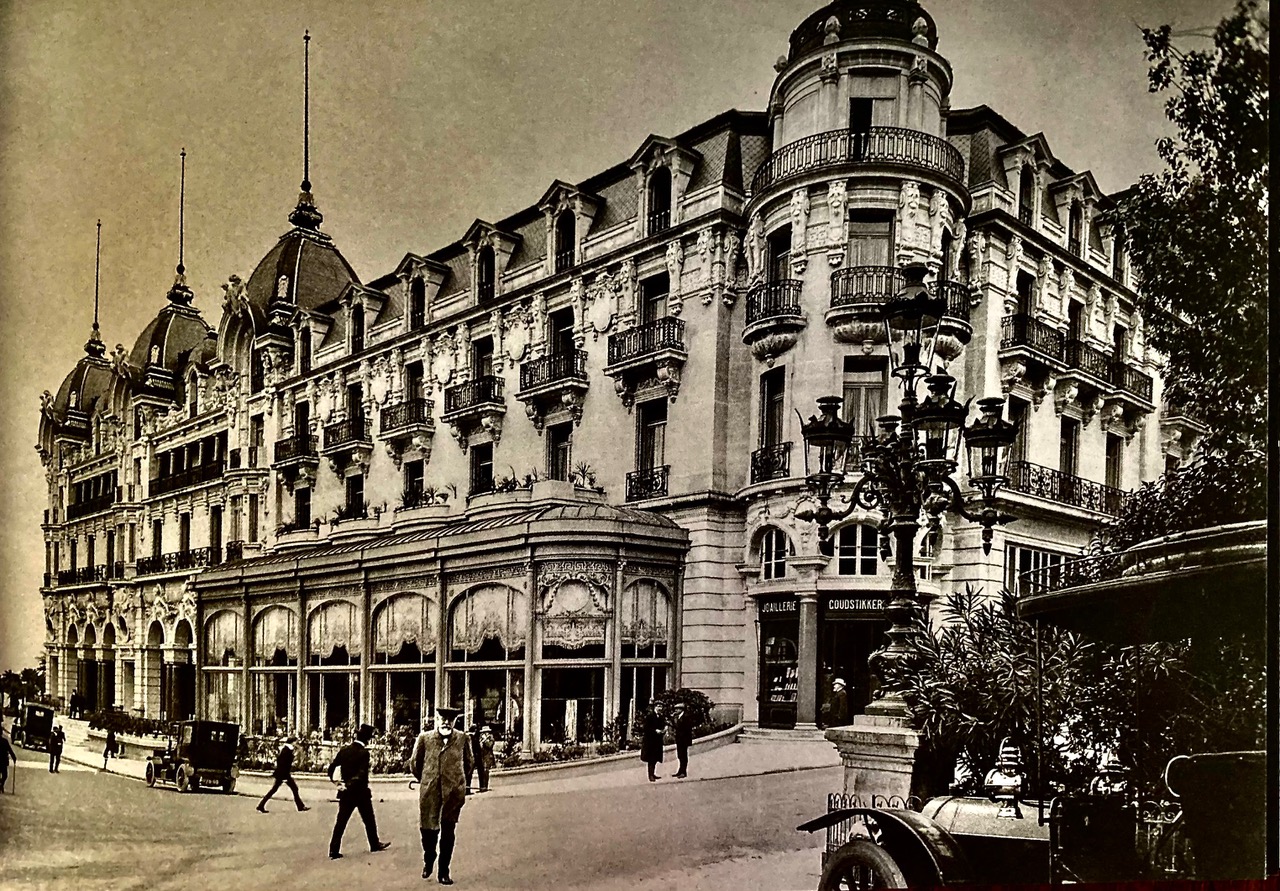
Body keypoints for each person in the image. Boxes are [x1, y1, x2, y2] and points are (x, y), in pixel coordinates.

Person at [410, 706, 472, 884]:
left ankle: (444, 871)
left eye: (450, 719)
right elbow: (415, 763)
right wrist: (427, 780)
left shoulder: (462, 738)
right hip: (430, 793)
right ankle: (429, 858)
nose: (446, 722)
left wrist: (459, 783)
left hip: (452, 795)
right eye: (443, 718)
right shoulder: (425, 738)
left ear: (454, 722)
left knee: (448, 832)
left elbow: (469, 763)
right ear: (437, 720)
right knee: (427, 831)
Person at [326, 724, 391, 860]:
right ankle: (374, 844)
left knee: (341, 821)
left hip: (346, 794)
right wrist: (350, 785)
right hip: (360, 793)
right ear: (367, 739)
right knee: (369, 820)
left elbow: (331, 768)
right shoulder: (364, 753)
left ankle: (333, 849)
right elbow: (361, 774)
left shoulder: (344, 751)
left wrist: (339, 784)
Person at [258, 736, 310, 813]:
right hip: (283, 774)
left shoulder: (287, 749)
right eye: (296, 742)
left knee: (281, 789)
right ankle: (300, 806)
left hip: (283, 773)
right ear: (292, 742)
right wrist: (284, 776)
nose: (297, 743)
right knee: (291, 789)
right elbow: (282, 763)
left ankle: (261, 805)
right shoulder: (286, 750)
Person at [640, 702, 666, 782]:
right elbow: (646, 728)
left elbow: (663, 725)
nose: (660, 708)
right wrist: (655, 731)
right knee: (651, 758)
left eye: (661, 706)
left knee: (655, 758)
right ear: (655, 707)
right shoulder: (650, 716)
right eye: (658, 706)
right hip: (650, 741)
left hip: (657, 740)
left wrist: (664, 730)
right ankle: (650, 775)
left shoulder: (661, 717)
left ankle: (653, 773)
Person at [672, 702, 695, 779]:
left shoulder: (686, 717)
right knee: (680, 755)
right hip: (679, 739)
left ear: (681, 710)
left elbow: (686, 729)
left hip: (684, 739)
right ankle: (680, 770)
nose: (676, 710)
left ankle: (683, 772)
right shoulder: (678, 717)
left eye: (678, 709)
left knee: (683, 756)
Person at [474, 726, 494, 793]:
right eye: (483, 733)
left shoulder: (491, 738)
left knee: (486, 772)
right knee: (481, 772)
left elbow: (489, 745)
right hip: (481, 757)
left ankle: (485, 786)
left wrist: (485, 741)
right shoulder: (480, 739)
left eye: (486, 732)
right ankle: (481, 786)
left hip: (487, 757)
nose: (484, 734)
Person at [0, 726, 17, 793]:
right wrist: (14, 757)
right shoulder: (5, 741)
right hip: (4, 761)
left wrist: (13, 757)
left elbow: (9, 750)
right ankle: (1, 784)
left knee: (5, 775)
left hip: (3, 761)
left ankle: (1, 785)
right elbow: (10, 750)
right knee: (5, 775)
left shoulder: (5, 741)